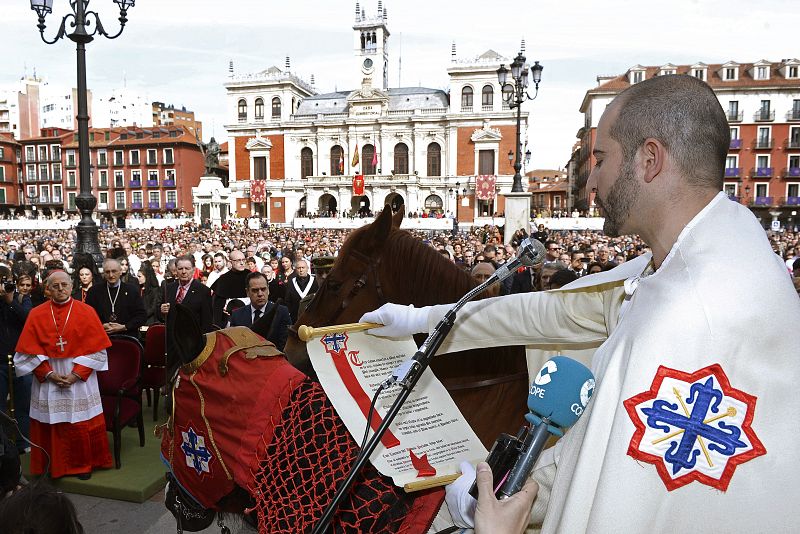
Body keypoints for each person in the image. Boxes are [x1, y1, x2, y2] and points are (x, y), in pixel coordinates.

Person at [361, 74, 800, 532]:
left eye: (602, 158)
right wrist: (421, 319)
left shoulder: (683, 322)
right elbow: (548, 317)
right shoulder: (709, 255)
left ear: (649, 160)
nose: (591, 178)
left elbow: (612, 490)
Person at [14, 271, 113, 479]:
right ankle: (51, 465)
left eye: (64, 285)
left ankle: (84, 465)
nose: (60, 289)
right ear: (47, 289)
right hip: (48, 377)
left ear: (71, 286)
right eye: (55, 286)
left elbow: (98, 352)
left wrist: (76, 374)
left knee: (80, 420)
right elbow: (26, 354)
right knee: (52, 421)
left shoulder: (86, 311)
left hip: (78, 377)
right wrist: (48, 374)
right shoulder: (36, 314)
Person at [1, 268, 33, 454]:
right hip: (0, 363)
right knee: (1, 408)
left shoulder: (22, 299)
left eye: (8, 282)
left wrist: (11, 301)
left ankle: (23, 442)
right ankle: (5, 446)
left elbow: (29, 319)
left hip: (21, 360)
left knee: (23, 404)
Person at [85, 258, 146, 338]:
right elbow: (88, 316)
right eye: (107, 272)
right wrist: (101, 325)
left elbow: (141, 316)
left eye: (114, 271)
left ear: (120, 271)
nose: (111, 275)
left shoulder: (132, 290)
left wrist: (124, 327)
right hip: (102, 337)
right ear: (103, 273)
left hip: (127, 337)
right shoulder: (94, 291)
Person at [228, 272, 291, 350]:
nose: (260, 294)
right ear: (247, 292)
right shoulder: (237, 316)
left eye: (263, 289)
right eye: (255, 290)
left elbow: (284, 344)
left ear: (268, 290)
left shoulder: (281, 312)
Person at [160, 256, 213, 333]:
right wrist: (161, 311)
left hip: (192, 340)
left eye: (187, 268)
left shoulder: (203, 291)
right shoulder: (168, 288)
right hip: (171, 339)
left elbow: (207, 323)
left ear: (194, 270)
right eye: (180, 269)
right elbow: (160, 314)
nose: (184, 272)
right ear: (176, 270)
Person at [209, 250, 250, 328]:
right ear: (230, 262)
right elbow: (217, 307)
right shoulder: (223, 280)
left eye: (243, 260)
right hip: (229, 322)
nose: (242, 263)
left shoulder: (251, 276)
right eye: (238, 260)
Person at [284, 259, 318, 323]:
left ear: (307, 268)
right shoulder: (291, 282)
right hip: (295, 318)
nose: (301, 270)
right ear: (296, 269)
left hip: (312, 317)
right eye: (299, 268)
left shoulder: (315, 282)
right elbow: (287, 300)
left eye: (303, 267)